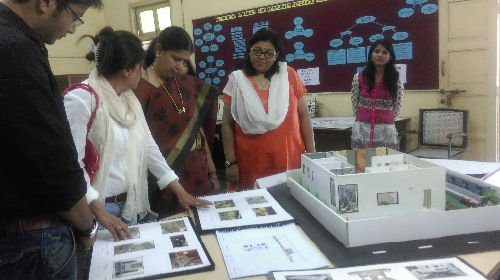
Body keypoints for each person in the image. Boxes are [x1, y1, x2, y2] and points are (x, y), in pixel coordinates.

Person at [63, 27, 211, 239]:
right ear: (128, 70)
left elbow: (149, 147)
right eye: (141, 66)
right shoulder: (82, 98)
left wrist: (180, 191)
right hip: (97, 210)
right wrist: (99, 212)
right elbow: (71, 165)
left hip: (130, 204)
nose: (142, 73)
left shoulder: (128, 99)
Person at [0, 0, 102, 279]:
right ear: (45, 3)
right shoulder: (14, 49)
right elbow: (50, 158)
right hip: (31, 239)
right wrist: (86, 226)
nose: (71, 30)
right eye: (74, 17)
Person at [135, 26, 220, 218]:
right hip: (163, 177)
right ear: (158, 50)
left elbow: (197, 130)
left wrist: (213, 171)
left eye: (184, 60)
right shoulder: (138, 88)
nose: (180, 65)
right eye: (175, 58)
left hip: (198, 170)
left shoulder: (184, 85)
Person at [221, 27, 315, 191]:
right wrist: (230, 162)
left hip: (289, 160)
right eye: (257, 51)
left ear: (276, 55)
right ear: (249, 51)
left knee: (291, 206)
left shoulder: (289, 75)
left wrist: (312, 155)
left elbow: (304, 116)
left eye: (268, 53)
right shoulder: (236, 81)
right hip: (250, 162)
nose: (261, 57)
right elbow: (227, 125)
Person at [350, 39, 405, 150]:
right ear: (371, 54)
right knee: (361, 164)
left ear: (390, 57)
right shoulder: (358, 77)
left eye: (385, 52)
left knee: (384, 164)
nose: (380, 55)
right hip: (362, 130)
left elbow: (397, 104)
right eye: (377, 51)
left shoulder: (396, 80)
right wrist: (362, 118)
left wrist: (386, 120)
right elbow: (355, 101)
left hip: (385, 132)